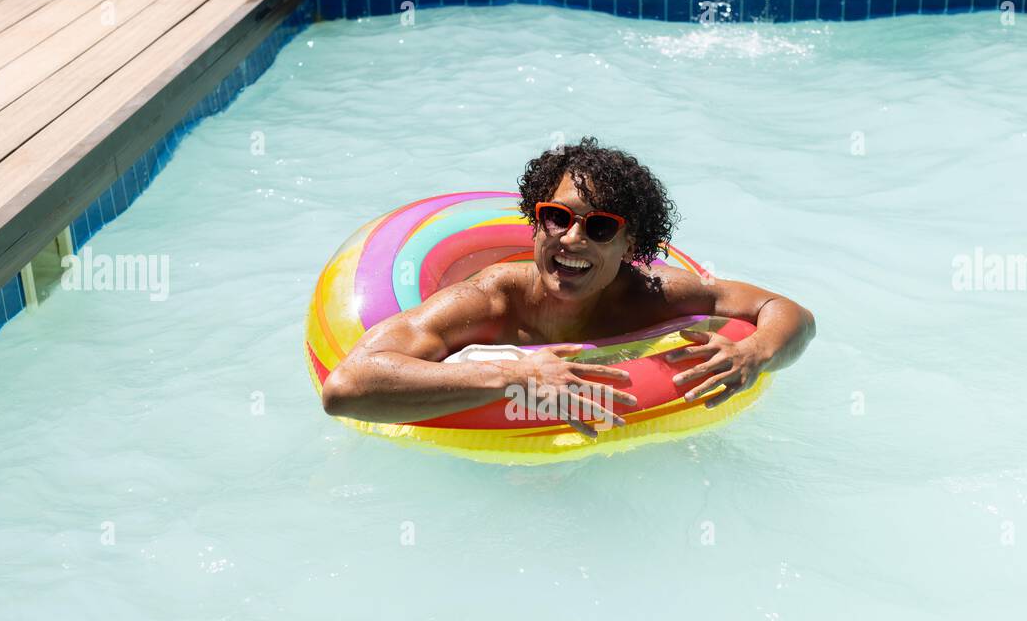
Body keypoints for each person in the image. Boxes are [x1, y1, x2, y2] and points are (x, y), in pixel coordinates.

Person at [322, 137, 815, 437]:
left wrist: (757, 353)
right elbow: (346, 388)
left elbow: (786, 311)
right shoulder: (488, 302)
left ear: (630, 243)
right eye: (556, 218)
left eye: (599, 227)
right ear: (535, 225)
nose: (571, 238)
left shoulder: (653, 295)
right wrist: (511, 377)